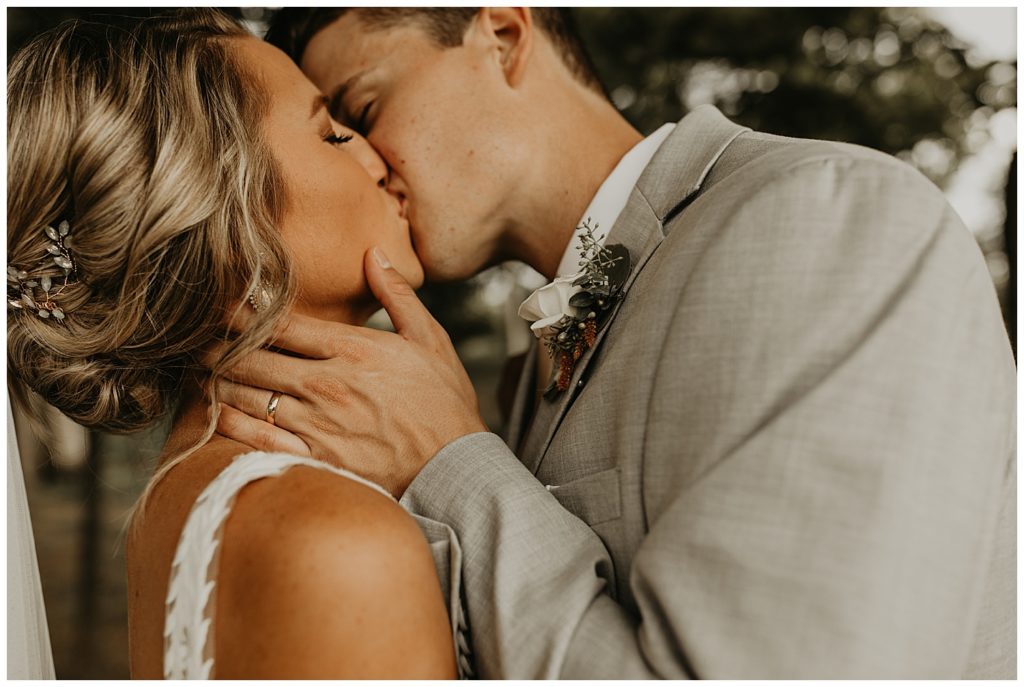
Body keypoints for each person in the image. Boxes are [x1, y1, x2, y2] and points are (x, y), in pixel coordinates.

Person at [216, 7, 1017, 679]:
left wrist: (449, 461)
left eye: (361, 110)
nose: (365, 163)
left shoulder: (828, 219)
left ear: (500, 33)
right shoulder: (531, 369)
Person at [6, 10, 469, 679]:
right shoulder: (335, 541)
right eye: (333, 134)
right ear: (228, 237)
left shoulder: (182, 494)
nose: (377, 155)